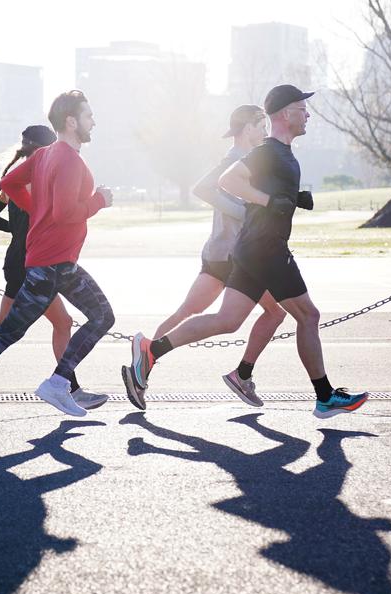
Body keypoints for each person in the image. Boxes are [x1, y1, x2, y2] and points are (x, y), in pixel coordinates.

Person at [123, 84, 368, 419]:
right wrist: (269, 201)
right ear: (284, 114)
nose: (307, 114)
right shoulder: (270, 152)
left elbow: (257, 189)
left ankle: (151, 352)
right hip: (267, 249)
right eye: (301, 108)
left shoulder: (279, 153)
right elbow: (228, 180)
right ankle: (325, 396)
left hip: (251, 249)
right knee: (308, 316)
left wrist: (293, 199)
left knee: (227, 321)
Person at [0, 90, 115, 433]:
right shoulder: (70, 160)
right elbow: (65, 213)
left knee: (12, 332)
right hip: (53, 264)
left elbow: (8, 183)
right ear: (71, 121)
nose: (94, 122)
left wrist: (36, 210)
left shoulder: (46, 155)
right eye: (88, 115)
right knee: (91, 318)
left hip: (54, 262)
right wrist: (99, 201)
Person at [123, 105, 286, 409]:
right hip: (237, 256)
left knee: (186, 312)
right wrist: (247, 212)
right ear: (246, 128)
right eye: (259, 125)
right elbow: (202, 188)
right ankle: (242, 375)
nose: (264, 131)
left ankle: (143, 363)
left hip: (219, 252)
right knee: (275, 313)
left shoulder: (241, 159)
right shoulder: (237, 159)